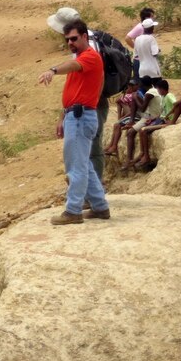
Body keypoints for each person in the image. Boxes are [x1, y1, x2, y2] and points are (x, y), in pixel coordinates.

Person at [38, 19, 110, 224]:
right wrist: (63, 117)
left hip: (80, 117)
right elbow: (74, 91)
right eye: (67, 39)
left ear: (85, 37)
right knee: (84, 164)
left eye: (74, 38)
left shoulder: (89, 58)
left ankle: (73, 210)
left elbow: (71, 65)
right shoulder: (82, 60)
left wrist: (52, 70)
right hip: (76, 115)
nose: (70, 43)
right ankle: (100, 207)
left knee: (76, 166)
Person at [46, 7, 109, 183]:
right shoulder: (79, 47)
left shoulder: (88, 46)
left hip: (89, 104)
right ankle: (89, 193)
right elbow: (73, 85)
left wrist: (92, 103)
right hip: (83, 105)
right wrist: (63, 116)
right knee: (81, 152)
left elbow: (99, 76)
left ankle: (89, 192)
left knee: (91, 150)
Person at [124, 7, 156, 79]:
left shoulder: (148, 28)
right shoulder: (140, 27)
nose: (153, 18)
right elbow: (127, 38)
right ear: (147, 18)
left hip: (147, 59)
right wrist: (137, 49)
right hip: (140, 60)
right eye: (152, 16)